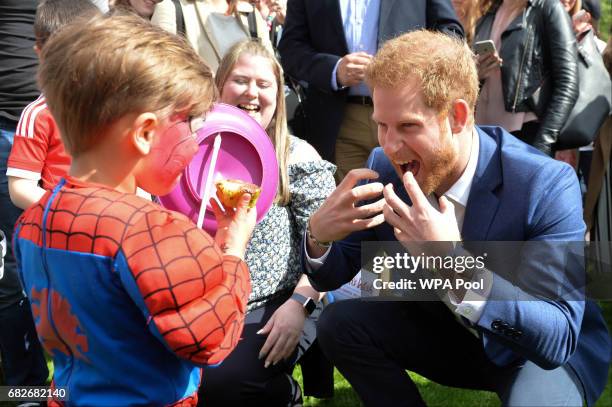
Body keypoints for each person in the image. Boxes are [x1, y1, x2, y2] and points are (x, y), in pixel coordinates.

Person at [302, 30, 611, 407]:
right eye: (382, 124)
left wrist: (451, 264)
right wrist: (318, 236)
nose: (390, 144)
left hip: (532, 353)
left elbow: (557, 335)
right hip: (448, 336)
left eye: (408, 126)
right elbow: (335, 272)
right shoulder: (384, 167)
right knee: (340, 324)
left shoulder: (544, 183)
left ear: (458, 116)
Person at [13, 13, 256, 405]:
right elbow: (208, 339)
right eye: (190, 124)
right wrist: (232, 252)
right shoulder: (151, 232)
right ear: (144, 133)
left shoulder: (31, 223)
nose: (196, 145)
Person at [198, 39, 336, 407]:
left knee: (225, 384)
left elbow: (330, 250)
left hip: (278, 302)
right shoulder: (194, 151)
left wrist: (299, 306)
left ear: (279, 95)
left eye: (264, 84)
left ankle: (283, 396)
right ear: (219, 86)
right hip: (202, 299)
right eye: (240, 81)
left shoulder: (297, 156)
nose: (252, 93)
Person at [277, 0, 464, 181]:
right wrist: (334, 70)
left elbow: (450, 35)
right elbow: (290, 49)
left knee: (414, 198)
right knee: (356, 205)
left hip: (411, 118)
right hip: (343, 122)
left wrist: (411, 64)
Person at [7, 0, 101, 210]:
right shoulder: (38, 115)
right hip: (59, 227)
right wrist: (67, 209)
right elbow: (20, 186)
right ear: (41, 54)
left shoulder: (114, 107)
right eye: (65, 54)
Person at [0, 0, 48, 399]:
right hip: (7, 127)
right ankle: (23, 390)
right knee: (13, 268)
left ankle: (66, 383)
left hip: (73, 120)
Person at [473, 0, 579, 156]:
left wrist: (543, 144)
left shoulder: (548, 8)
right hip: (481, 134)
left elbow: (568, 83)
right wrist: (476, 72)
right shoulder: (489, 10)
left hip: (523, 137)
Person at [152, 0, 273, 72]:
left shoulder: (251, 15)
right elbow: (163, 74)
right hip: (197, 110)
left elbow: (272, 72)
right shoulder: (172, 8)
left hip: (244, 111)